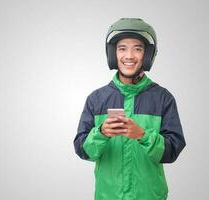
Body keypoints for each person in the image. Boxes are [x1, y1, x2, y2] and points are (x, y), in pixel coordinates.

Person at [73, 18, 186, 200]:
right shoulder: (96, 99)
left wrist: (143, 135)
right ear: (113, 53)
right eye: (122, 48)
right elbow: (82, 150)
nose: (129, 56)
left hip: (150, 196)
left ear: (147, 55)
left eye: (138, 49)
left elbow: (172, 151)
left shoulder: (163, 98)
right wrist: (101, 133)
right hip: (108, 196)